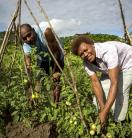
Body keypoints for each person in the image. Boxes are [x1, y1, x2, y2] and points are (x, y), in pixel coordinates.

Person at [71, 35, 132, 125]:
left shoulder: (108, 51)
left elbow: (114, 83)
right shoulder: (86, 63)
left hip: (127, 64)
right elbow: (95, 83)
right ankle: (105, 116)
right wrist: (102, 108)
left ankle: (119, 123)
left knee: (121, 91)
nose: (85, 55)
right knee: (102, 93)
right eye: (81, 54)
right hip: (109, 68)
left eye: (86, 50)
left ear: (92, 44)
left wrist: (104, 113)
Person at [20, 23, 64, 103]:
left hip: (56, 55)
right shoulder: (26, 43)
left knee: (56, 80)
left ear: (33, 31)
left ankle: (56, 103)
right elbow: (27, 58)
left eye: (29, 35)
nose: (28, 39)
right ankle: (36, 103)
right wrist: (28, 71)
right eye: (24, 38)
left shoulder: (45, 33)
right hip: (43, 58)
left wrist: (55, 72)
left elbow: (56, 53)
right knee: (38, 80)